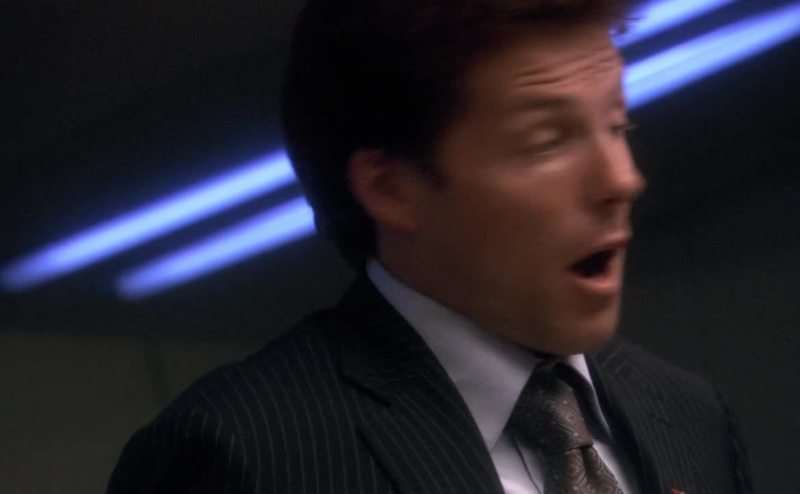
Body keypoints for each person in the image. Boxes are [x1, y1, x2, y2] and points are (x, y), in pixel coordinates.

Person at [108, 0, 752, 492]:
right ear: (392, 188)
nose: (622, 179)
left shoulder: (691, 415)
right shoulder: (239, 453)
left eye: (618, 124)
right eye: (545, 141)